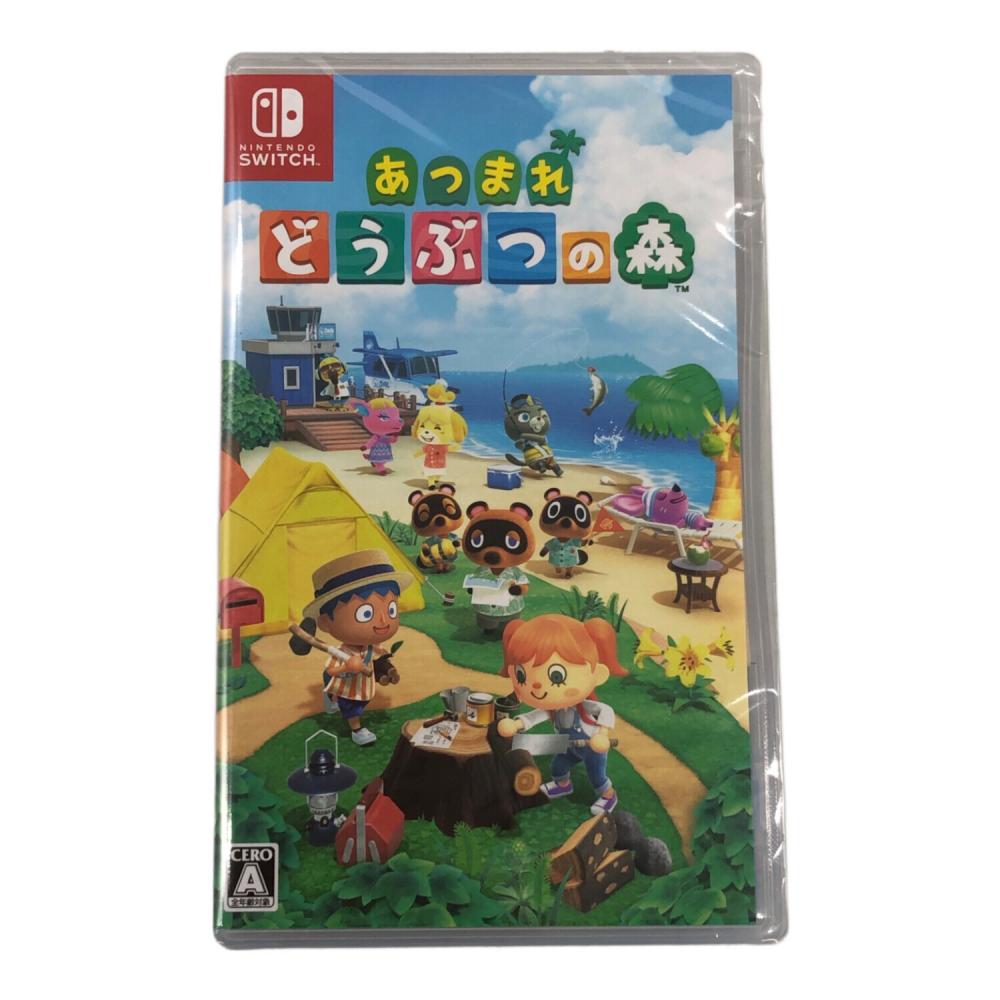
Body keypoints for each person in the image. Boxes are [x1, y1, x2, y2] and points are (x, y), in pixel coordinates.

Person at [496, 614, 628, 815]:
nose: (537, 686)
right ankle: (563, 784)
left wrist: (602, 733)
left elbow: (606, 710)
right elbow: (535, 716)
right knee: (558, 765)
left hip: (592, 747)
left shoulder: (584, 706)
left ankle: (609, 796)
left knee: (597, 776)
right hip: (568, 745)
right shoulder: (554, 707)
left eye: (556, 677)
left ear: (598, 675)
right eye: (521, 676)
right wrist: (516, 724)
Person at [289, 549, 412, 746]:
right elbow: (332, 670)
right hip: (348, 687)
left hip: (364, 686)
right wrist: (347, 667)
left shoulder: (373, 646)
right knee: (351, 707)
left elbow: (378, 658)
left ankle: (331, 694)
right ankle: (357, 730)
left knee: (361, 701)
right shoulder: (343, 652)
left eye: (391, 609)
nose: (383, 621)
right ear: (326, 622)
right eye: (366, 613)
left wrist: (387, 669)